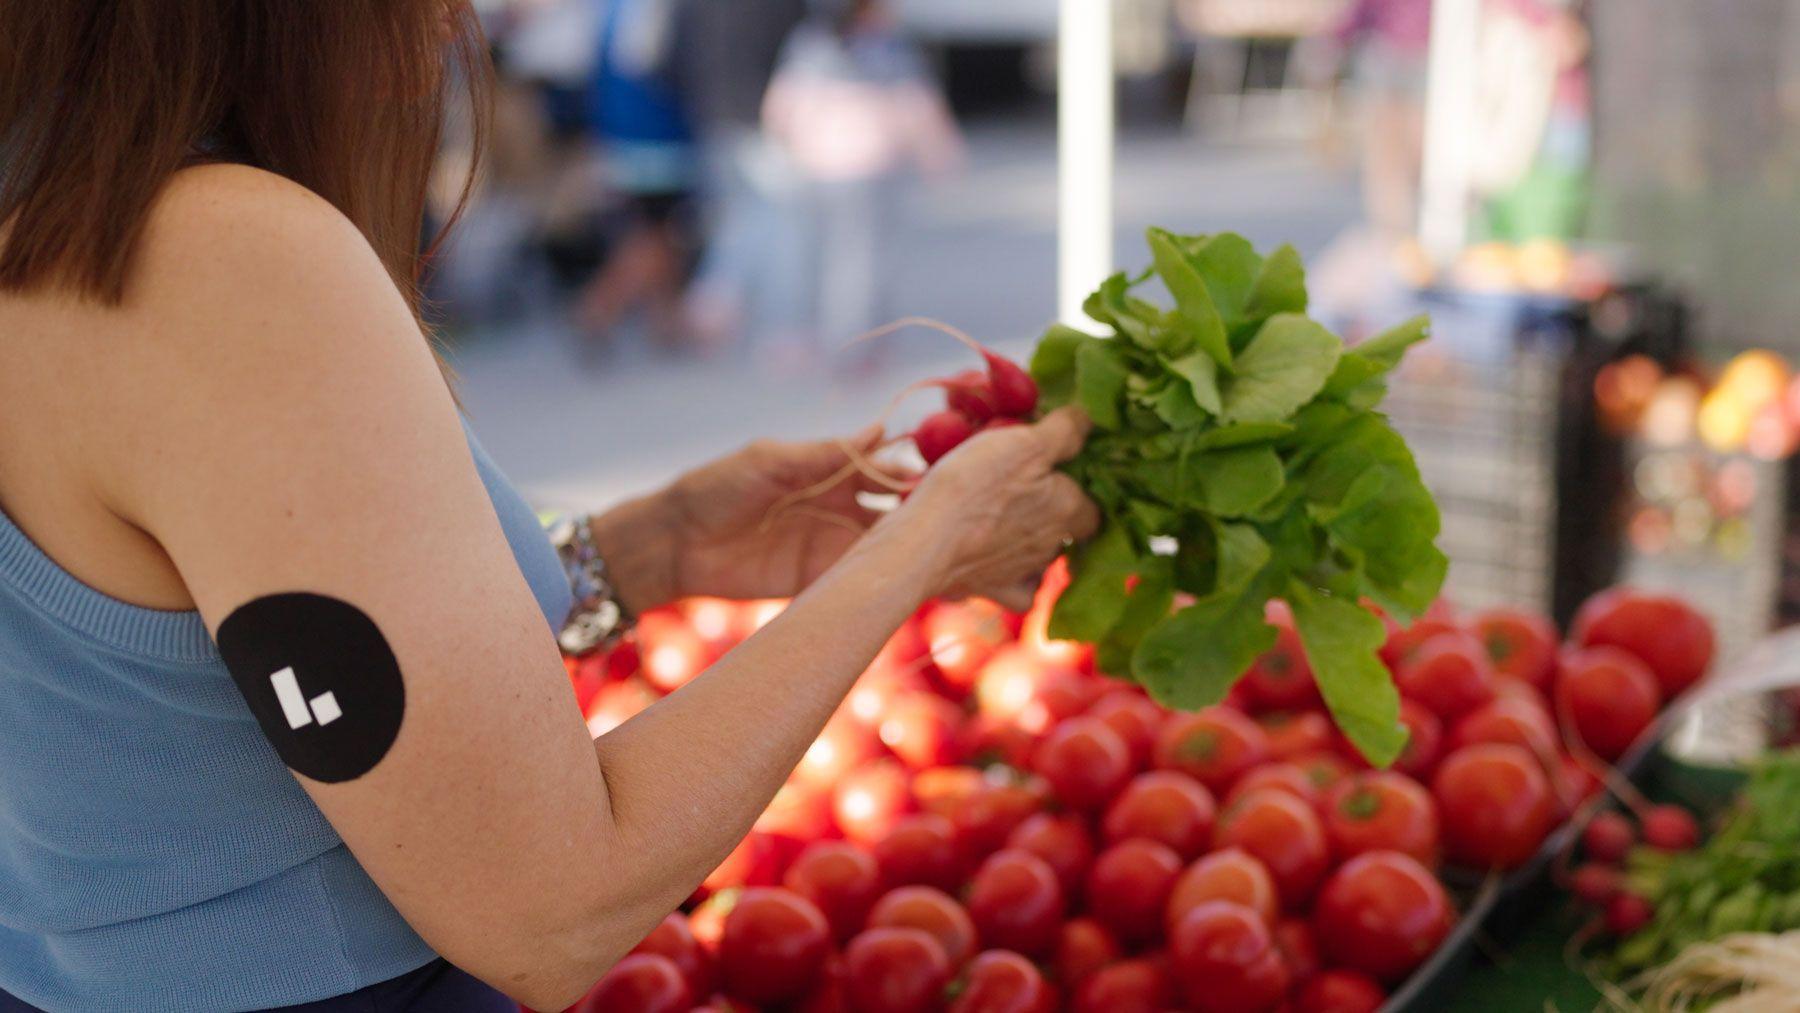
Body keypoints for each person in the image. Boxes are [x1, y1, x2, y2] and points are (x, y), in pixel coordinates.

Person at [0, 5, 1097, 1011]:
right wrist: (919, 547)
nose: (457, 15)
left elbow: (157, 675)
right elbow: (553, 911)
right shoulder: (220, 256)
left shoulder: (56, 217)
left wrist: (642, 550)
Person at [761, 0, 963, 362]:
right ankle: (854, 343)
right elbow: (916, 104)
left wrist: (784, 145)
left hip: (816, 165)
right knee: (861, 262)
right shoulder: (886, 47)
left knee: (815, 254)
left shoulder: (810, 43)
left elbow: (782, 102)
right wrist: (939, 153)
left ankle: (806, 337)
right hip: (869, 168)